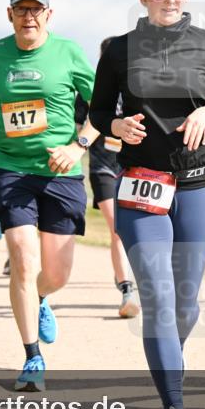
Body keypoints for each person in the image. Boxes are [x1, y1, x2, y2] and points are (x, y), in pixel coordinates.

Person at [90, 0, 205, 409]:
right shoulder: (117, 50)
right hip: (141, 186)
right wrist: (116, 126)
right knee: (155, 295)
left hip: (198, 186)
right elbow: (96, 114)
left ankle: (169, 355)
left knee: (186, 304)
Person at [0, 0, 99, 392]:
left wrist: (78, 147)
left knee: (56, 273)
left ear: (48, 15)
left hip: (61, 172)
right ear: (9, 14)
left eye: (36, 9)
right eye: (21, 9)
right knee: (23, 259)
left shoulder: (69, 52)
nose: (28, 16)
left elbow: (103, 108)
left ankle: (41, 297)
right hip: (11, 169)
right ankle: (32, 357)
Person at [76, 37, 141, 318]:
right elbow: (80, 125)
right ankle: (127, 289)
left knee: (137, 230)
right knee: (118, 227)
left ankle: (139, 282)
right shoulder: (90, 91)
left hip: (132, 167)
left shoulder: (136, 89)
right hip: (102, 166)